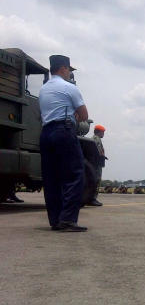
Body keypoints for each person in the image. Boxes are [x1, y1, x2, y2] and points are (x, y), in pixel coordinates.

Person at [39, 55, 88, 232]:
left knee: (51, 178)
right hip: (64, 131)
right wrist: (74, 115)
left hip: (46, 133)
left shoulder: (43, 89)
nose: (69, 74)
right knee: (75, 175)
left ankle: (56, 220)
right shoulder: (69, 88)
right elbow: (84, 115)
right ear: (63, 69)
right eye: (69, 70)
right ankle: (68, 219)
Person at [88, 124, 106, 206]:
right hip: (96, 165)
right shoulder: (97, 139)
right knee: (96, 181)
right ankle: (92, 199)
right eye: (103, 132)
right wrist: (103, 156)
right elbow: (99, 151)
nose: (103, 134)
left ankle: (90, 198)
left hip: (93, 164)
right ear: (100, 132)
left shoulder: (92, 139)